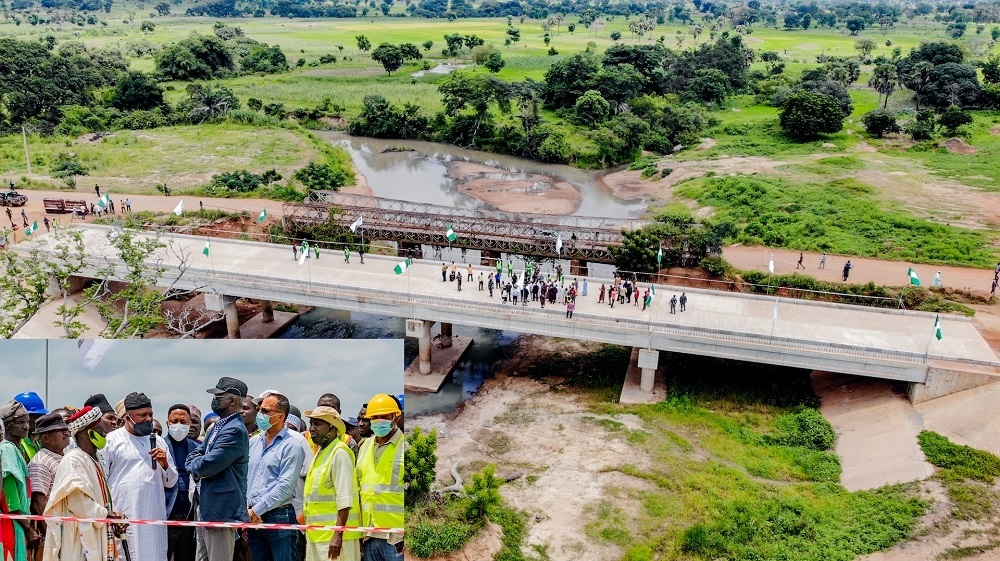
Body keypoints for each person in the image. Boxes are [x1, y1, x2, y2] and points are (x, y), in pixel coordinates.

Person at [42, 406, 125, 561]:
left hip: (97, 529)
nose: (105, 434)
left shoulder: (95, 459)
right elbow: (78, 503)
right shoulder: (74, 459)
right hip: (79, 536)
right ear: (89, 433)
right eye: (100, 430)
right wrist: (107, 514)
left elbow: (101, 497)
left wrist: (114, 514)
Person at [104, 392, 178, 561]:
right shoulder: (111, 440)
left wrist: (164, 464)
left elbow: (170, 482)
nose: (148, 419)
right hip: (123, 515)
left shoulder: (158, 442)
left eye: (150, 415)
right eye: (142, 415)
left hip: (153, 516)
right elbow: (103, 478)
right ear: (128, 417)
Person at [186, 377, 250, 561]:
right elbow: (195, 454)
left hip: (221, 510)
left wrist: (195, 464)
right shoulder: (217, 427)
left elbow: (207, 465)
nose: (214, 400)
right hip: (207, 507)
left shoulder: (235, 430)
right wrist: (197, 461)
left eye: (219, 397)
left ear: (233, 400)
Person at [246, 392, 304, 561]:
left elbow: (285, 487)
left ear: (280, 416)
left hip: (279, 517)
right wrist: (249, 511)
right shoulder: (253, 443)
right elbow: (246, 479)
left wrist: (256, 510)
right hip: (253, 518)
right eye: (259, 409)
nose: (260, 414)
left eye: (265, 411)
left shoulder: (292, 446)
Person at [302, 406, 361, 561]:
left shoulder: (339, 453)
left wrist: (337, 534)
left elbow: (345, 499)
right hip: (317, 535)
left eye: (318, 424)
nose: (312, 429)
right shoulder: (321, 453)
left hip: (335, 539)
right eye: (311, 424)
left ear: (332, 428)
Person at [356, 394, 404, 561]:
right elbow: (358, 489)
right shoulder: (365, 447)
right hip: (369, 535)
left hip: (396, 538)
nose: (378, 421)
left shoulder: (405, 446)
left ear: (395, 417)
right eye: (374, 418)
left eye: (383, 417)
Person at [27, 413, 70, 558]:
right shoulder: (41, 462)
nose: (66, 432)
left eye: (66, 429)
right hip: (50, 542)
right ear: (46, 438)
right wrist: (54, 541)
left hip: (66, 534)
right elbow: (38, 504)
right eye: (60, 431)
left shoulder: (64, 458)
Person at [1, 400, 40, 561]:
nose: (26, 426)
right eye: (20, 422)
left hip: (18, 523)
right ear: (8, 426)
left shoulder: (16, 450)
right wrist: (28, 529)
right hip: (11, 524)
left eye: (26, 421)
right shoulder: (7, 450)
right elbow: (10, 500)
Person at [165, 405, 199, 561]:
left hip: (189, 515)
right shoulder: (159, 446)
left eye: (183, 421)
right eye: (175, 421)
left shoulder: (197, 448)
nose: (178, 425)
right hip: (166, 513)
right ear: (168, 423)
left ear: (190, 424)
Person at [13, 391, 47, 461]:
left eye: (42, 416)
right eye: (36, 417)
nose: (40, 420)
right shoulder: (18, 444)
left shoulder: (37, 444)